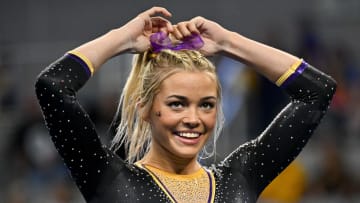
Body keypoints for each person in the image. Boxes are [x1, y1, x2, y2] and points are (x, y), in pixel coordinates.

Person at [35, 6, 337, 203]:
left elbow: (317, 91)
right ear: (144, 107)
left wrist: (228, 43)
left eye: (206, 105)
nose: (193, 118)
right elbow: (53, 87)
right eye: (177, 104)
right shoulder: (109, 178)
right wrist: (122, 39)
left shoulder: (240, 177)